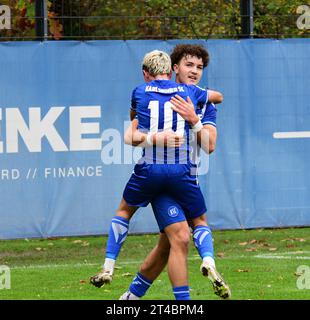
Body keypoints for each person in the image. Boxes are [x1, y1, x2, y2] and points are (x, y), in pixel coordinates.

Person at [91, 45, 230, 299]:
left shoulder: (201, 103)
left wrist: (194, 119)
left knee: (170, 245)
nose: (195, 71)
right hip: (170, 177)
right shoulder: (161, 95)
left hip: (184, 176)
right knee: (181, 238)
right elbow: (130, 136)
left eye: (200, 67)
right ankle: (185, 299)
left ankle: (129, 298)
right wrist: (156, 138)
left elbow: (209, 145)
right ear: (174, 68)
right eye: (189, 65)